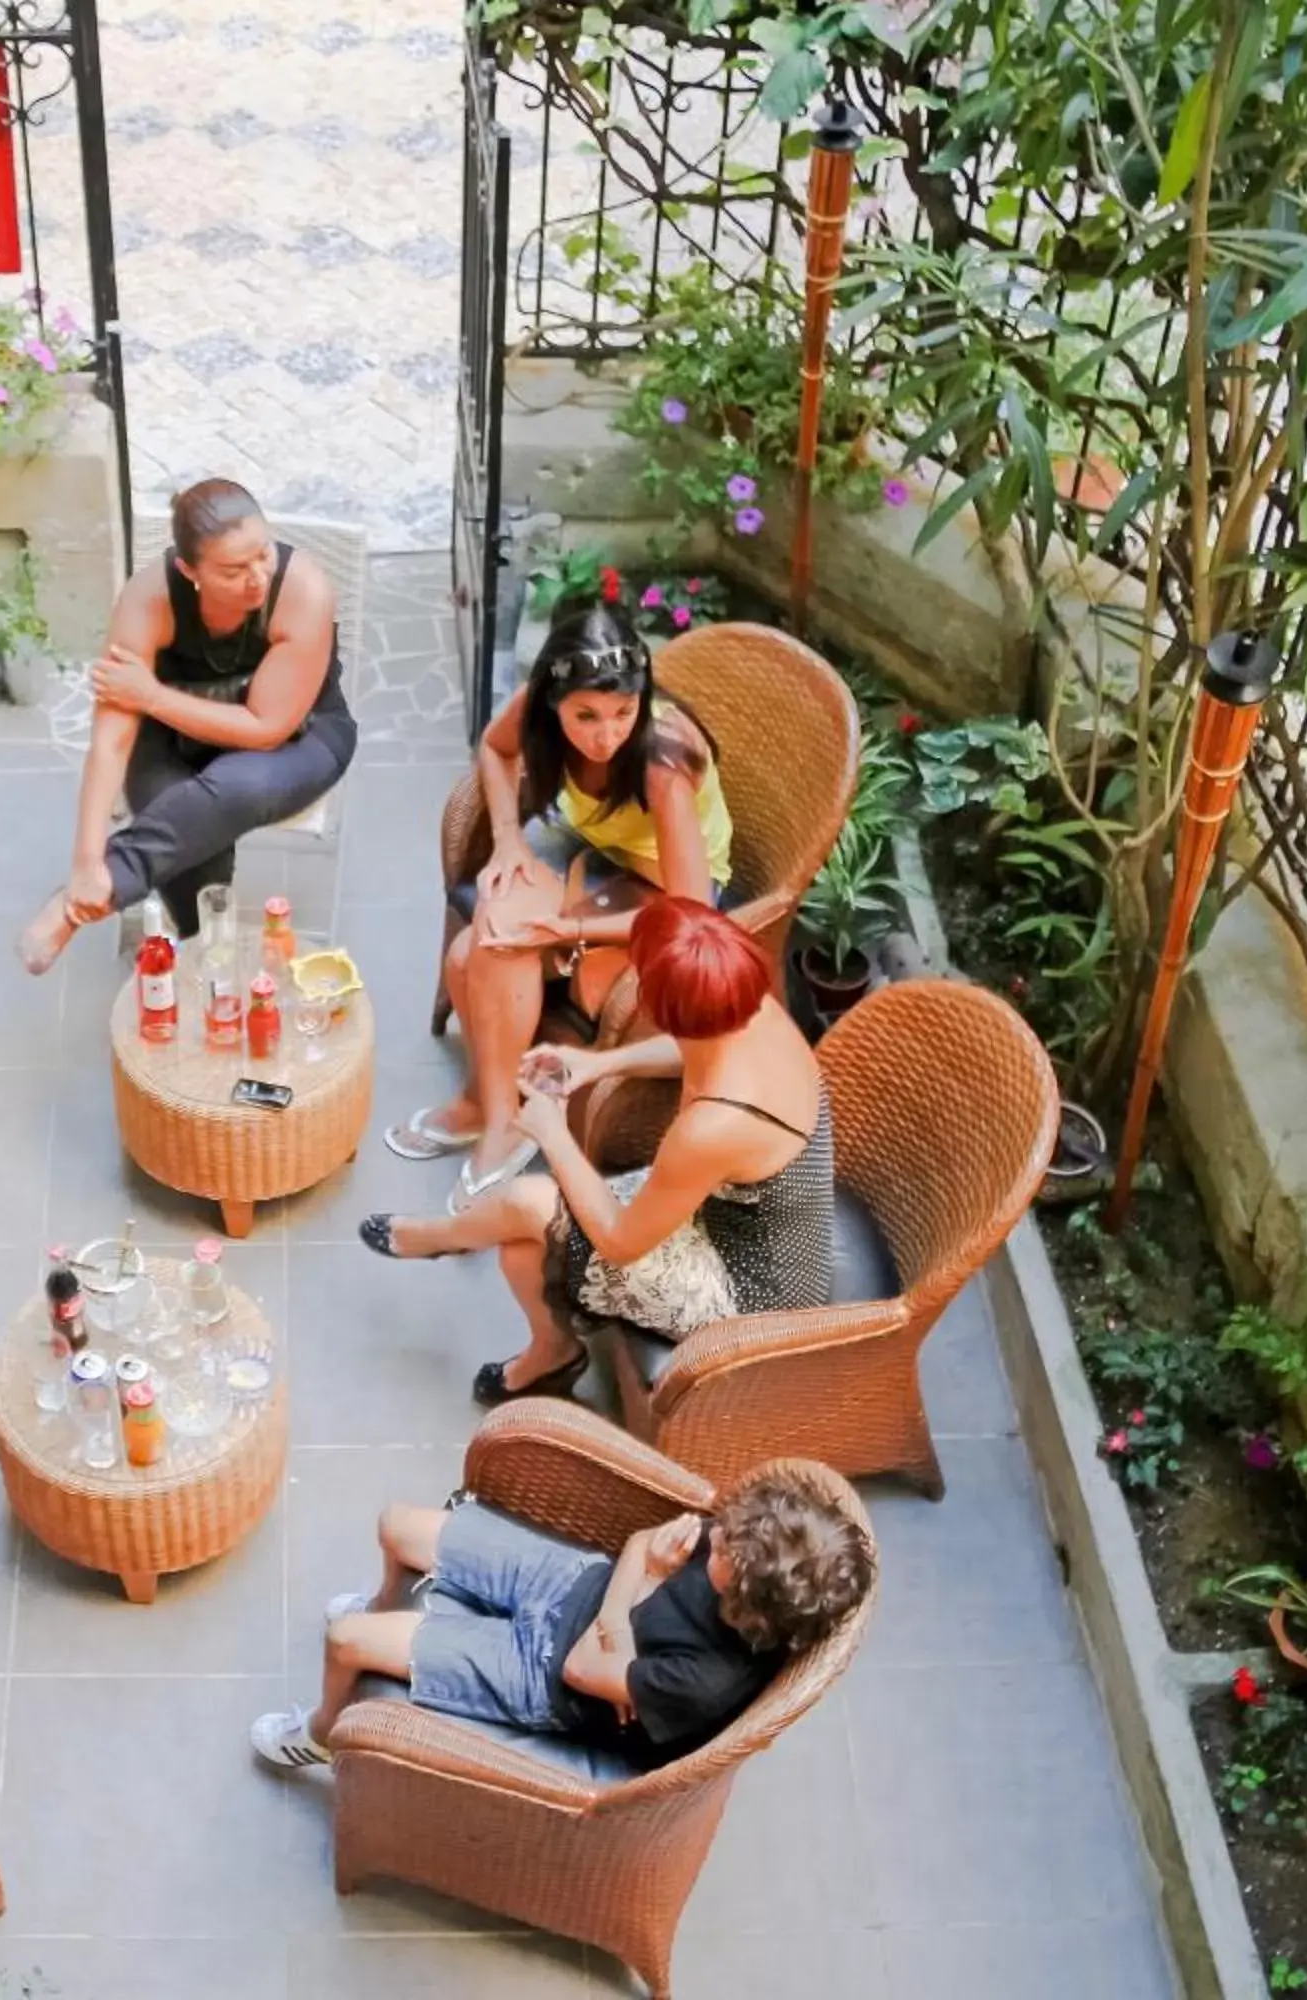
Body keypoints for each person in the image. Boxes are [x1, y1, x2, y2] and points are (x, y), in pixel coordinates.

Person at [361, 897, 827, 1404]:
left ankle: (440, 1238)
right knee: (520, 1252)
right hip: (730, 1208)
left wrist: (553, 1134)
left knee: (524, 1206)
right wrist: (594, 1064)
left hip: (750, 1287)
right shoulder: (745, 1006)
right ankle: (550, 1351)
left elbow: (621, 1243)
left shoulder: (712, 1126)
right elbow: (691, 1048)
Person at [390, 600, 730, 1211]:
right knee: (480, 946)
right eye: (587, 716)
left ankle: (491, 1115)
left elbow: (690, 908)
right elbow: (494, 751)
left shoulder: (661, 760)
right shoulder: (536, 709)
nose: (607, 735)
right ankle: (497, 1113)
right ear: (555, 700)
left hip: (669, 890)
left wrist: (572, 927)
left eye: (624, 712)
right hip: (597, 857)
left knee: (485, 949)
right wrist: (508, 839)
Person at [247, 1464, 874, 1771]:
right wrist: (620, 1615)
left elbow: (578, 1667)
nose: (717, 1540)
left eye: (728, 1558)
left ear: (751, 1602)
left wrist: (640, 1584)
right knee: (396, 1525)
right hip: (576, 1582)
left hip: (541, 1672)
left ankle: (322, 1735)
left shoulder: (703, 1681)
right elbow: (634, 1548)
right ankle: (388, 1603)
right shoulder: (744, 1541)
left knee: (344, 1640)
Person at [16, 479, 354, 973]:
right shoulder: (148, 600)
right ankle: (207, 953)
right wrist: (86, 860)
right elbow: (111, 741)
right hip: (175, 737)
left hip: (300, 736)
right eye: (235, 569)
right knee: (169, 808)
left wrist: (150, 695)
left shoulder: (303, 589)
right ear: (188, 570)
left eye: (263, 554)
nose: (258, 577)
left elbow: (266, 728)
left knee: (232, 789)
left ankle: (87, 905)